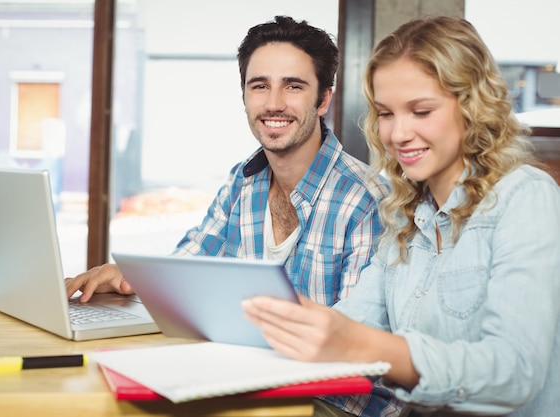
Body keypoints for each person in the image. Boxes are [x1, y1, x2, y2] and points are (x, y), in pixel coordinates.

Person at [66, 15, 396, 415]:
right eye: (260, 86)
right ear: (244, 96)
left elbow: (354, 349)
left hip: (336, 402)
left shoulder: (365, 199)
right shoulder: (243, 182)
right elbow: (187, 266)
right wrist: (126, 277)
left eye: (293, 86)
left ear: (323, 98)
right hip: (252, 383)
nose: (274, 103)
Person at [242, 14, 560, 417]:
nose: (397, 134)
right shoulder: (406, 215)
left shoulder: (525, 196)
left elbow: (514, 372)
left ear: (472, 107)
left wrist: (362, 345)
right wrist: (293, 325)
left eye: (421, 111)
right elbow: (352, 321)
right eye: (387, 114)